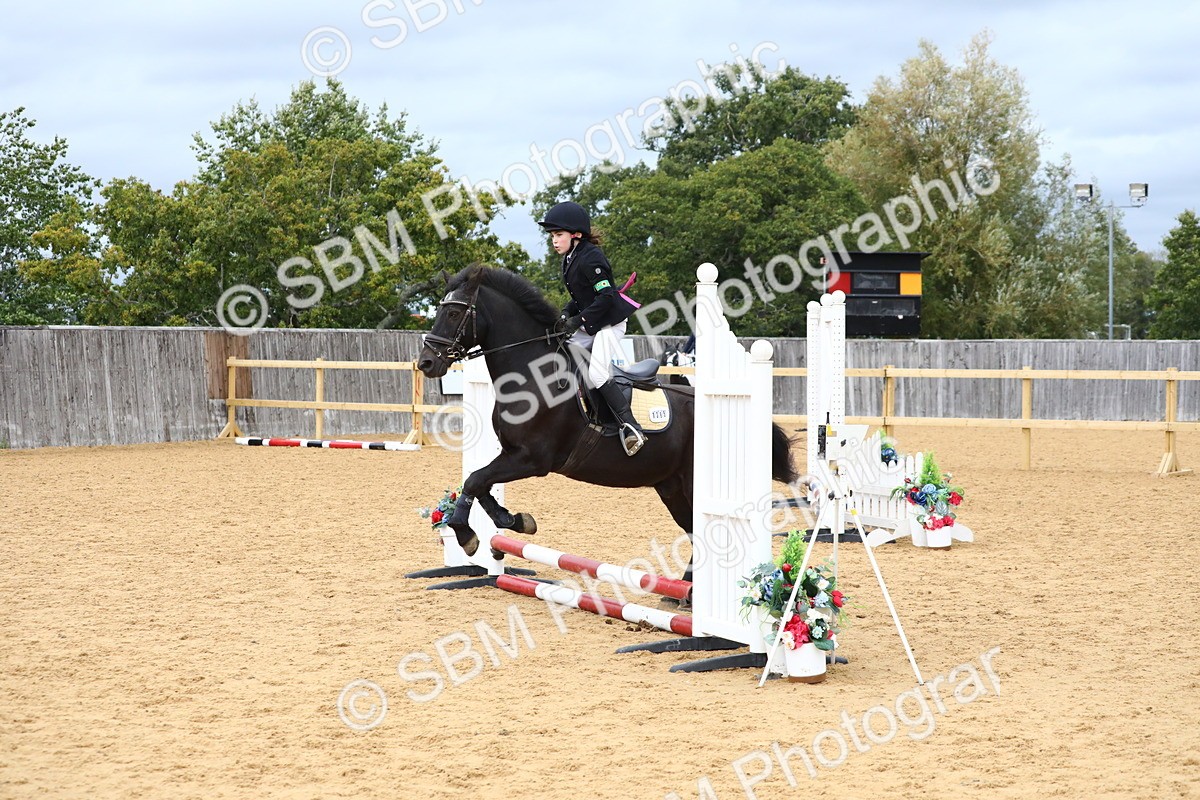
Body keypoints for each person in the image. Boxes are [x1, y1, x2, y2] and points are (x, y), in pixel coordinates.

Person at [538, 201, 646, 456]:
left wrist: (578, 321)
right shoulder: (569, 259)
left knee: (597, 375)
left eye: (558, 235)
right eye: (552, 236)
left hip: (610, 323)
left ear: (575, 234)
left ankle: (630, 426)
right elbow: (580, 298)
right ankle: (593, 419)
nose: (554, 241)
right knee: (564, 356)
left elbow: (606, 296)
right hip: (592, 322)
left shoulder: (591, 257)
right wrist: (567, 313)